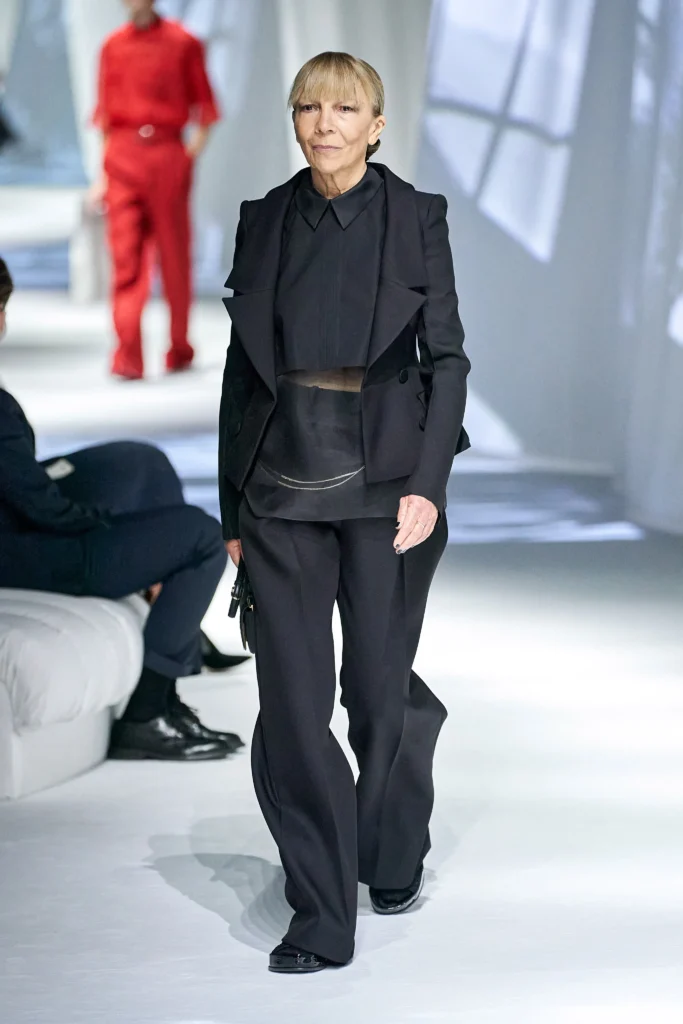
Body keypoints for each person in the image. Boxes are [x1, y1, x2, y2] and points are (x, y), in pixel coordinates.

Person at [219, 52, 470, 973]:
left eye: (345, 108)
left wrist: (428, 485)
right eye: (308, 107)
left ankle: (392, 842)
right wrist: (230, 511)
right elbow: (240, 372)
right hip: (279, 486)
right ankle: (321, 914)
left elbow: (447, 359)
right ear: (293, 120)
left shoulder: (416, 216)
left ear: (376, 124)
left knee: (375, 690)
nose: (324, 123)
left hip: (386, 486)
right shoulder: (263, 219)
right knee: (292, 704)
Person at [0, 257, 245, 760]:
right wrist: (114, 528)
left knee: (139, 462)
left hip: (18, 510)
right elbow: (41, 509)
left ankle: (179, 632)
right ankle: (148, 711)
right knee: (200, 537)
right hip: (27, 548)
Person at [89, 0, 220, 380]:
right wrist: (103, 175)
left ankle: (179, 347)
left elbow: (206, 108)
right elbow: (105, 115)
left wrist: (185, 158)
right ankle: (128, 355)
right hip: (123, 156)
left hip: (166, 153)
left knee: (174, 257)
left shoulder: (183, 43)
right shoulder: (112, 46)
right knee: (125, 257)